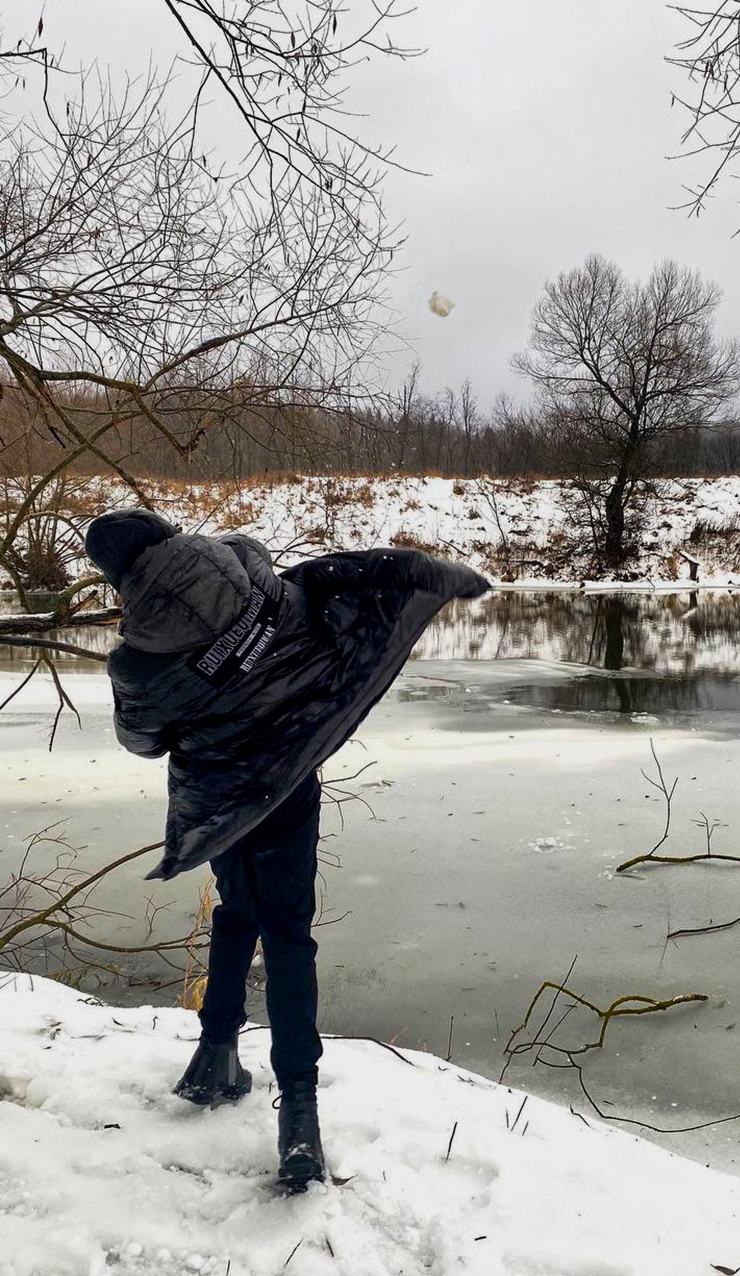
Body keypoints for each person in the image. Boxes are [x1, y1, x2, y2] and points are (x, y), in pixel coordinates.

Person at [84, 508, 490, 1192]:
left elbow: (143, 739)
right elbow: (307, 596)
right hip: (291, 772)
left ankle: (220, 1055)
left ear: (120, 576)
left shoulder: (139, 657)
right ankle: (292, 1109)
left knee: (238, 909)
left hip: (225, 798)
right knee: (285, 932)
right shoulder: (244, 562)